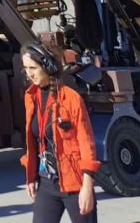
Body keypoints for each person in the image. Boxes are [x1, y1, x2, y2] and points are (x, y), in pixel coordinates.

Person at [21, 41, 100, 222]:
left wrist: (87, 187)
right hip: (46, 183)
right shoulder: (30, 97)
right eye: (26, 68)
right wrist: (31, 176)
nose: (29, 73)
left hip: (75, 182)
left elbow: (86, 144)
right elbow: (33, 141)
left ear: (48, 66)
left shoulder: (71, 99)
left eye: (33, 67)